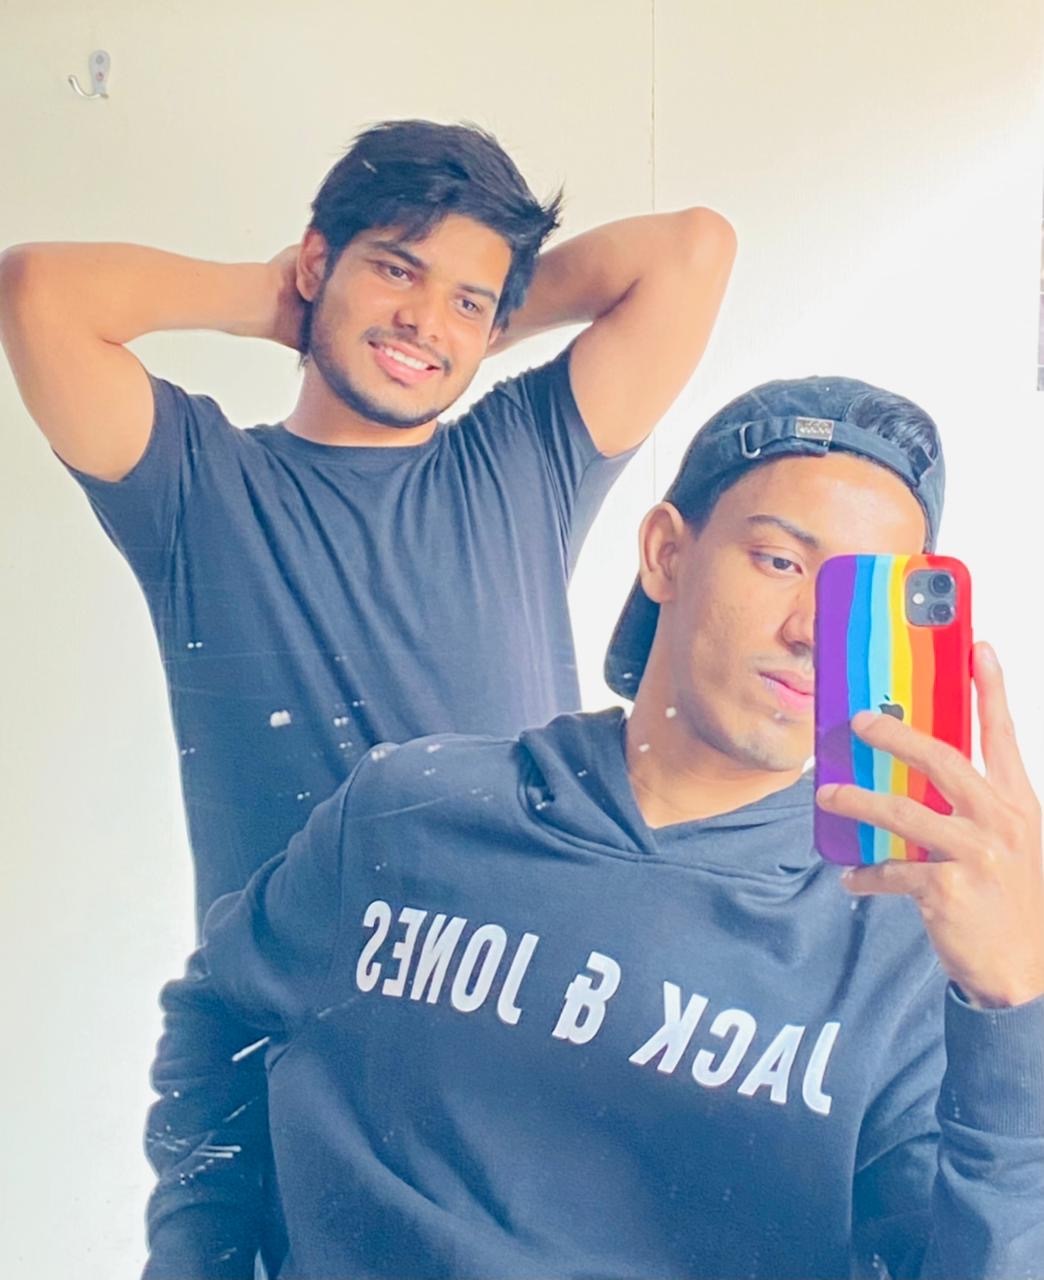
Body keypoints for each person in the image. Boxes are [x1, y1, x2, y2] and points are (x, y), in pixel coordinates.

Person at [144, 376, 1044, 1279]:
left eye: (862, 593)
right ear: (666, 554)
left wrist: (1014, 1012)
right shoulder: (407, 811)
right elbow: (221, 1022)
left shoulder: (909, 962)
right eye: (780, 561)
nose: (813, 628)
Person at [0, 119, 736, 926]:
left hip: (525, 987)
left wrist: (469, 328)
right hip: (288, 999)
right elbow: (38, 292)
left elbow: (693, 251)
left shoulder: (527, 455)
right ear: (319, 262)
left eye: (466, 301)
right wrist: (279, 301)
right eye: (396, 270)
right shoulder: (195, 484)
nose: (423, 318)